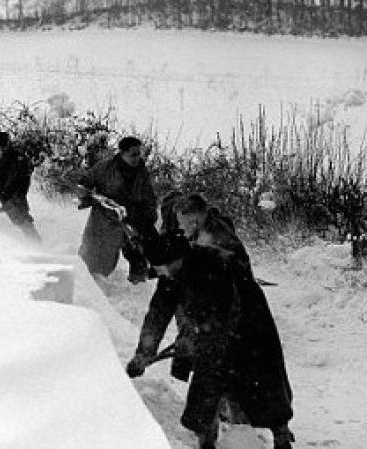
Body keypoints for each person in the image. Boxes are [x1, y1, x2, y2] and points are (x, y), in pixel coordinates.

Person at [128, 199, 295, 449]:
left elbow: (226, 313)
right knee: (207, 389)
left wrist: (196, 336)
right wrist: (143, 354)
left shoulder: (216, 263)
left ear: (176, 260)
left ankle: (280, 435)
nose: (159, 274)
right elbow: (157, 314)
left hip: (250, 327)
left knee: (260, 384)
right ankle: (206, 441)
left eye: (160, 268)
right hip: (212, 335)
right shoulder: (171, 276)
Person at [69, 136, 158, 283]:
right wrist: (86, 195)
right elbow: (84, 183)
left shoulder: (142, 173)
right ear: (122, 153)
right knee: (92, 255)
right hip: (103, 219)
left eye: (139, 154)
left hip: (132, 220)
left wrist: (148, 221)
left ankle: (136, 292)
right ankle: (84, 286)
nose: (137, 158)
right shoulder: (105, 168)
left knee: (139, 259)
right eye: (133, 154)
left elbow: (149, 199)